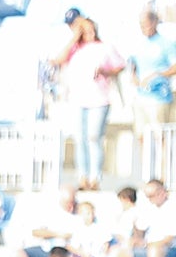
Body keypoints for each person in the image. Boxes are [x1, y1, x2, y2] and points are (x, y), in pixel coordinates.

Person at [53, 15, 124, 191]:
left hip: (99, 99)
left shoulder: (104, 47)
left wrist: (105, 71)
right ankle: (82, 176)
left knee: (94, 138)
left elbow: (119, 66)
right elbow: (59, 59)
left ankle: (95, 177)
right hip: (78, 99)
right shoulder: (75, 49)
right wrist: (74, 37)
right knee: (80, 139)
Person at [130, 10, 176, 127]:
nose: (144, 28)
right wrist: (133, 75)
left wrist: (158, 74)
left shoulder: (166, 43)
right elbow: (133, 62)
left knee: (160, 136)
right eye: (141, 25)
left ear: (154, 22)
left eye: (146, 24)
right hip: (140, 97)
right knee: (141, 135)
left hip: (159, 98)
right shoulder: (138, 43)